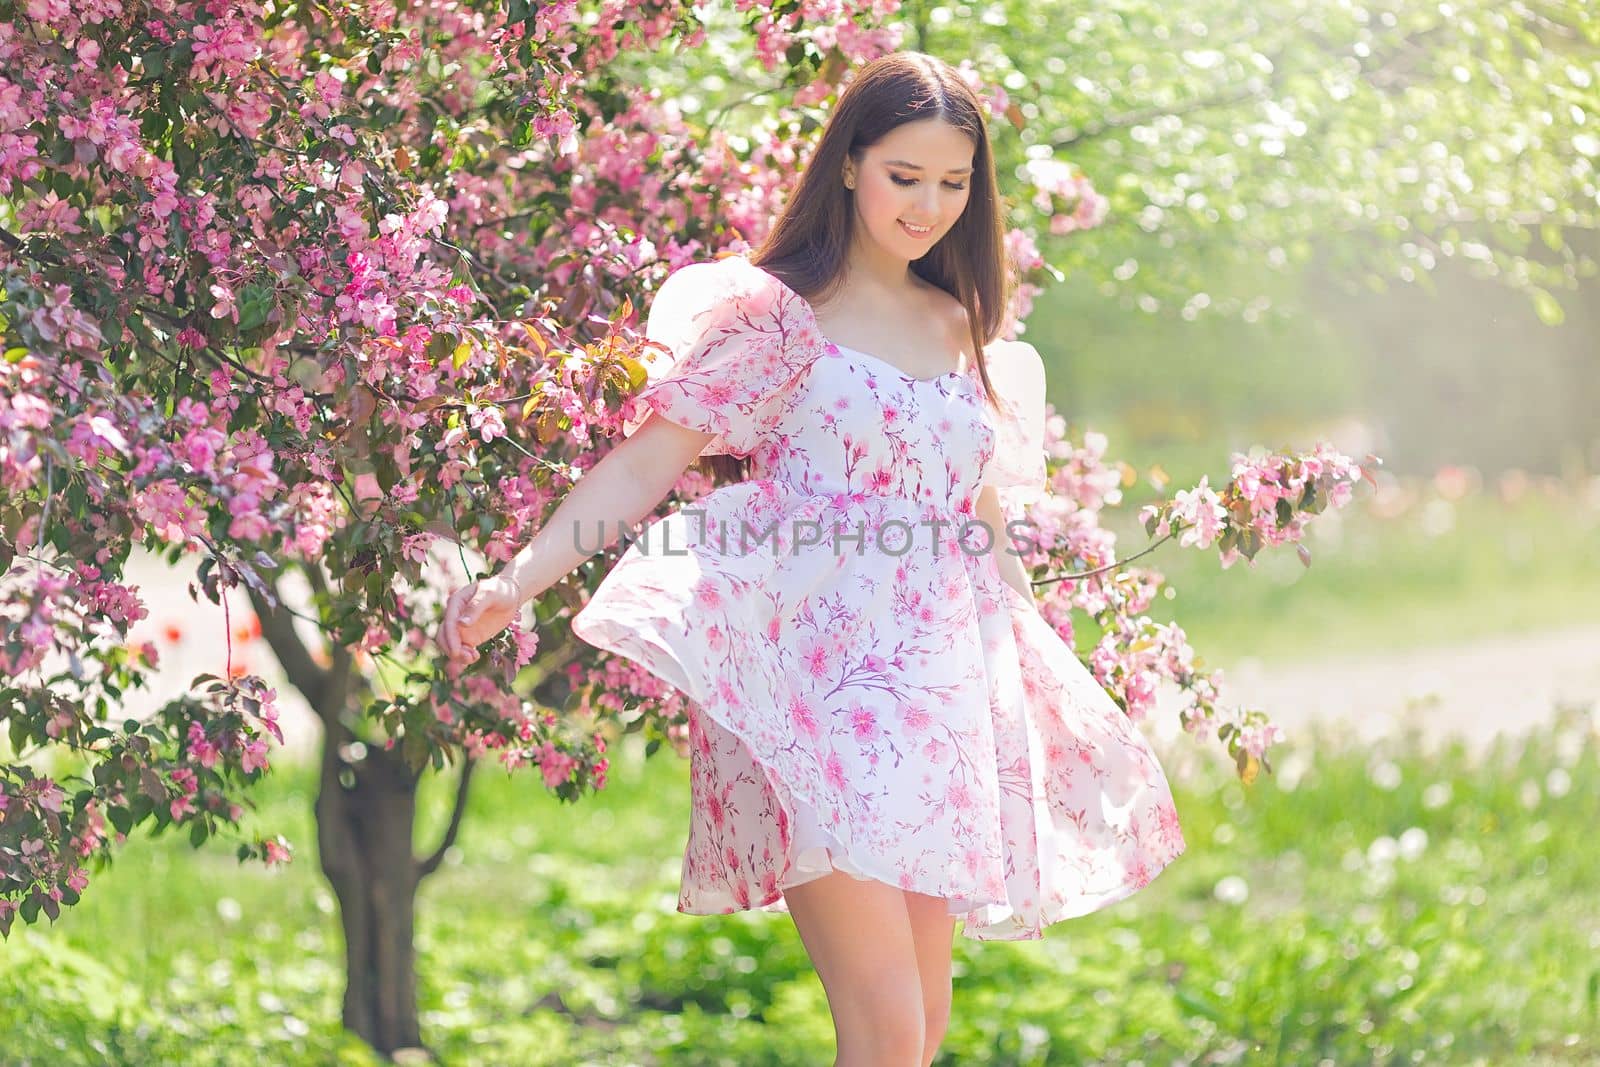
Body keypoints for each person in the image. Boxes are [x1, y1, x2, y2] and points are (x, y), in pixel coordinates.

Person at [438, 51, 1185, 1067]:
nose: (927, 205)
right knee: (881, 1035)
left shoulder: (964, 328)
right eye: (902, 176)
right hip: (816, 700)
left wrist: (1045, 694)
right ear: (848, 165)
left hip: (935, 704)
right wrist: (514, 579)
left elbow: (980, 528)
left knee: (918, 1032)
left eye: (952, 182)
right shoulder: (778, 321)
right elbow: (643, 467)